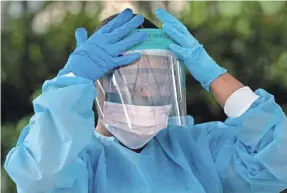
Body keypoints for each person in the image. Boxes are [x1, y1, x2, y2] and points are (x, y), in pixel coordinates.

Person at [4, 8, 287, 193]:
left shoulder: (197, 152)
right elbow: (42, 179)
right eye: (134, 78)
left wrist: (217, 77)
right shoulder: (80, 163)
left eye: (159, 77)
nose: (148, 90)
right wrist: (72, 79)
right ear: (99, 82)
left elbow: (277, 162)